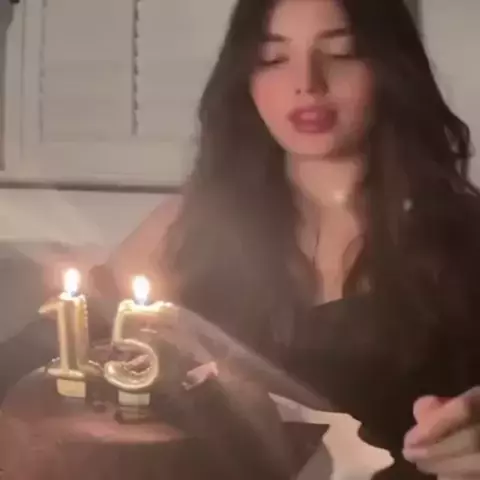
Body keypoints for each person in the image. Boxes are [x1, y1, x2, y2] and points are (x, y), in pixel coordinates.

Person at [2, 0, 480, 478]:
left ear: (390, 68)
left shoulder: (464, 237)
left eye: (342, 53)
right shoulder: (189, 226)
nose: (307, 83)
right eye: (273, 58)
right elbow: (47, 347)